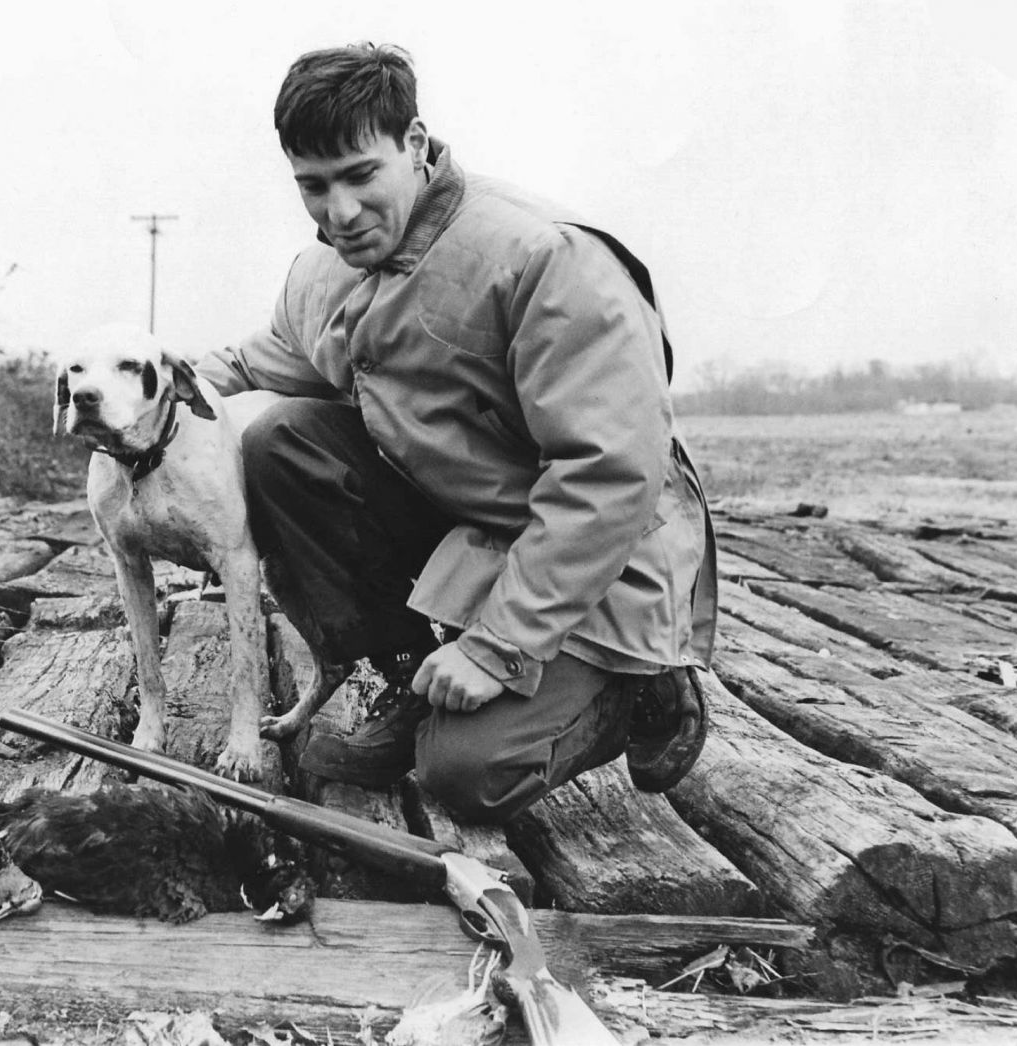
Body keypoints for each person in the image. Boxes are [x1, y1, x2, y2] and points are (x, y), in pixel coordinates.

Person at [196, 42, 717, 824]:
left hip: (604, 555)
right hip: (474, 528)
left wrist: (495, 647)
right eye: (314, 185)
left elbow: (608, 476)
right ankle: (408, 675)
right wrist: (135, 393)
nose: (339, 212)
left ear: (414, 144)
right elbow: (264, 362)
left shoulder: (547, 259)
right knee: (283, 443)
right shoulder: (325, 269)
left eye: (361, 174)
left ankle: (639, 687)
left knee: (468, 771)